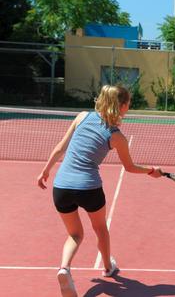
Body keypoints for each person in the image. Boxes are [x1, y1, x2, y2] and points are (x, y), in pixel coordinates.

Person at [37, 85, 162, 297]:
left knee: (74, 234)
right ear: (121, 106)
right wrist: (152, 170)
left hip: (61, 187)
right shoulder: (116, 136)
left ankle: (64, 268)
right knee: (100, 229)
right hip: (89, 188)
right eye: (128, 104)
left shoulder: (82, 116)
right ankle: (107, 267)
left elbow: (60, 147)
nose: (129, 107)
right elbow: (130, 168)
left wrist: (45, 171)